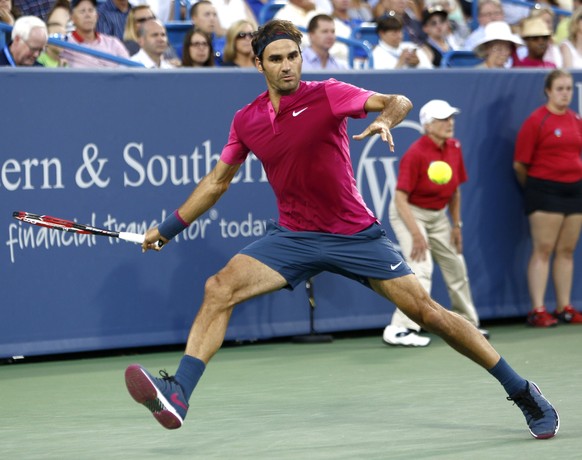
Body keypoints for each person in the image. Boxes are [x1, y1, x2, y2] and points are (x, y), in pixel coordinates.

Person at [124, 19, 559, 442]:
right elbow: (218, 181)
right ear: (259, 65)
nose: (288, 65)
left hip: (354, 235)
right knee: (219, 288)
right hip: (293, 236)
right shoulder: (247, 120)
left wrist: (387, 119)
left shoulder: (329, 94)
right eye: (276, 59)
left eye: (294, 56)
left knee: (428, 314)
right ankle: (179, 394)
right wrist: (168, 228)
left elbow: (398, 100)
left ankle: (521, 390)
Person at [382, 99, 487, 347]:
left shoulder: (455, 147)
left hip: (439, 215)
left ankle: (466, 325)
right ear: (428, 125)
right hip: (409, 212)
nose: (450, 123)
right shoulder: (416, 153)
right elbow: (400, 198)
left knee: (456, 266)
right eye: (443, 119)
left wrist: (456, 225)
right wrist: (417, 234)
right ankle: (399, 328)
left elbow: (455, 192)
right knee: (420, 269)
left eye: (451, 118)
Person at [513, 69, 582, 327]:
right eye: (560, 89)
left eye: (569, 89)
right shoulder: (536, 121)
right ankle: (538, 309)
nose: (565, 94)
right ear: (548, 91)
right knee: (543, 250)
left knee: (567, 250)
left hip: (574, 191)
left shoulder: (576, 119)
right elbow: (520, 164)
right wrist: (536, 187)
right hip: (543, 191)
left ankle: (565, 307)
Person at [60, 0, 130, 68]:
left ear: (97, 16)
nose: (88, 15)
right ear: (72, 18)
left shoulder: (113, 43)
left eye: (91, 10)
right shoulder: (65, 45)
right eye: (82, 11)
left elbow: (129, 69)